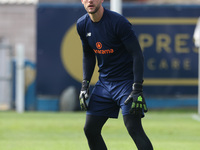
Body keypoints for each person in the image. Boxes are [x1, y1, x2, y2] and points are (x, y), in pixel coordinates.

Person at [77, 0, 153, 150]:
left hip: (126, 84)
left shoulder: (118, 22)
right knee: (90, 130)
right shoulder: (82, 24)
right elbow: (88, 55)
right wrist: (85, 85)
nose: (90, 1)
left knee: (133, 128)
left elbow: (137, 54)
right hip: (104, 83)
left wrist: (137, 88)